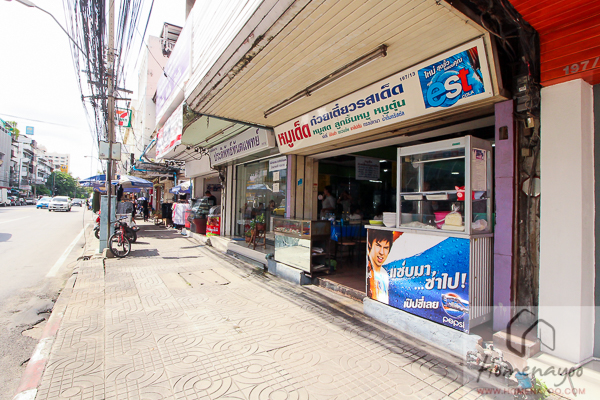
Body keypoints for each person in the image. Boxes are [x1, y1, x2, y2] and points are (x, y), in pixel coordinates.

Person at [366, 230, 392, 304]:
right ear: (370, 244)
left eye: (386, 248)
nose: (381, 252)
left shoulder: (384, 274)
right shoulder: (369, 272)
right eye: (378, 245)